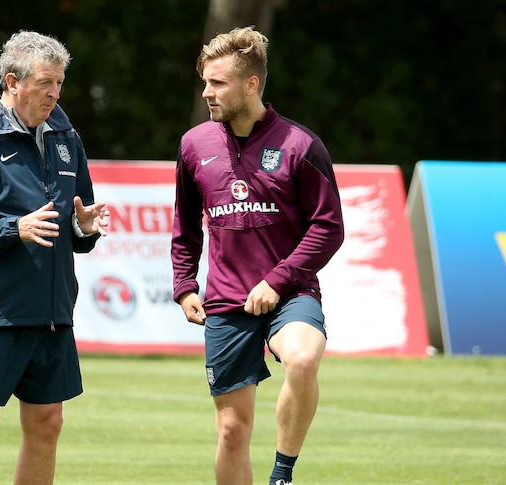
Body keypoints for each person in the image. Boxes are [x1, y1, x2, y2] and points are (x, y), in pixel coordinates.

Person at [0, 30, 108, 485]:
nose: (55, 93)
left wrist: (82, 229)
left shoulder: (67, 136)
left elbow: (75, 218)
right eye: (46, 82)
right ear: (13, 82)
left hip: (52, 311)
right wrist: (14, 228)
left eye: (60, 83)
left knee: (48, 423)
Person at [170, 26, 344, 485]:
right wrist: (185, 285)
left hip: (289, 293)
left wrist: (278, 280)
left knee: (303, 360)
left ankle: (282, 474)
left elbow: (328, 228)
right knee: (231, 431)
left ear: (251, 84)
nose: (207, 92)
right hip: (225, 301)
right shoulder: (193, 145)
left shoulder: (302, 146)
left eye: (218, 83)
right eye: (205, 82)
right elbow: (186, 226)